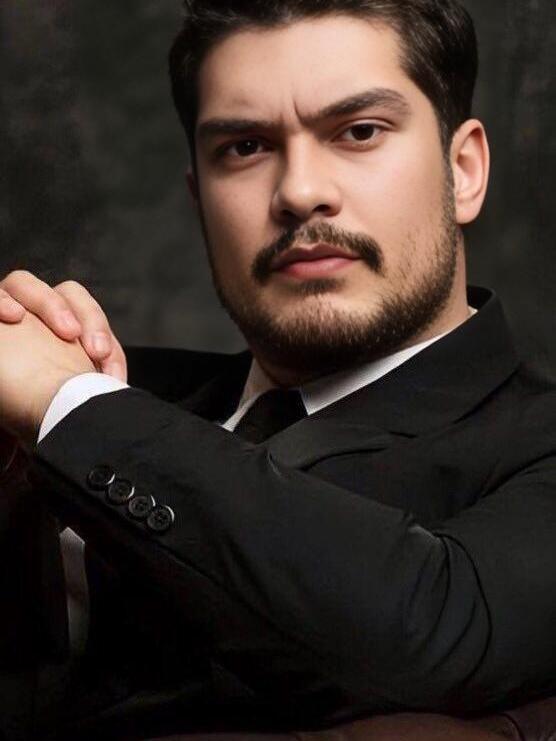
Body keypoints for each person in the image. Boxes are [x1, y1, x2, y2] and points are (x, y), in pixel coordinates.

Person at [0, 0, 555, 739]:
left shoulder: (83, 406)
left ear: (465, 170)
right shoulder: (94, 384)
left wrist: (68, 406)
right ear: (199, 198)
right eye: (244, 147)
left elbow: (429, 629)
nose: (298, 192)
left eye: (359, 131)